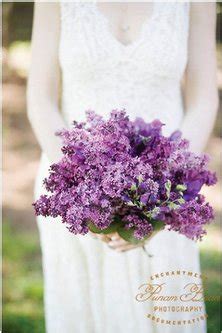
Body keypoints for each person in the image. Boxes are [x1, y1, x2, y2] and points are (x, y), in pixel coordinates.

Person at [27, 2, 218, 332]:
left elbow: (204, 98)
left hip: (164, 186)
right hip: (76, 190)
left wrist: (160, 197)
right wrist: (84, 189)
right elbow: (40, 98)